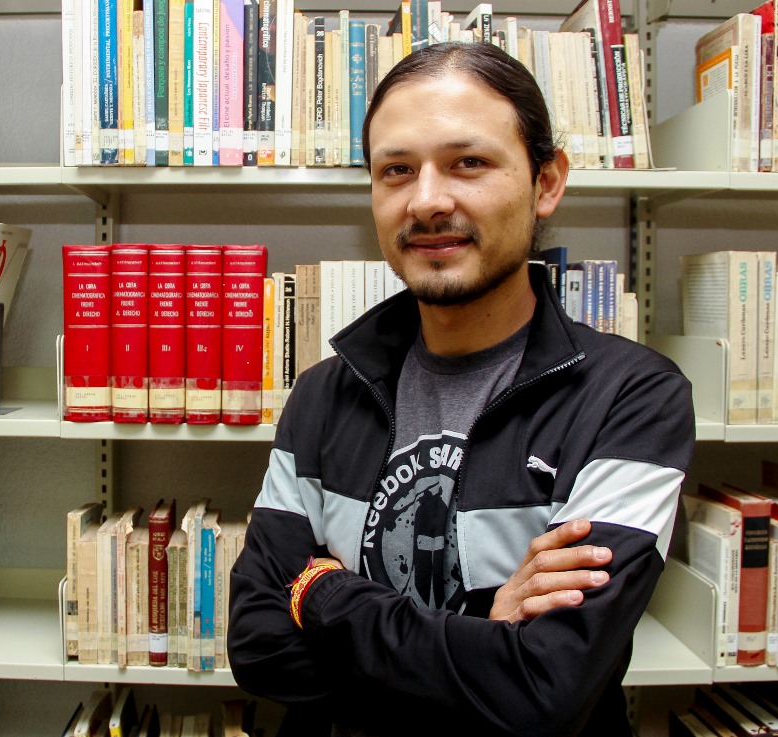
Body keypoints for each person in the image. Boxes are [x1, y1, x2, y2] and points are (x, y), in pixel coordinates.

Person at [227, 41, 695, 737]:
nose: (426, 201)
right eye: (396, 170)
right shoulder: (324, 393)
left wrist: (319, 590)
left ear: (546, 183)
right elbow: (258, 647)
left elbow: (543, 692)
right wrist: (484, 636)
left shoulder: (630, 398)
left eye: (467, 163)